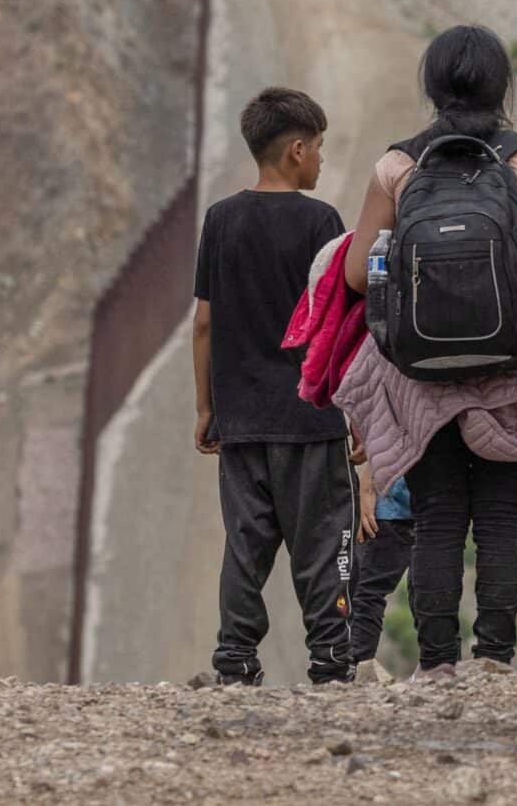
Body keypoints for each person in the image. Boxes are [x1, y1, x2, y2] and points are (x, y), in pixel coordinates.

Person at [338, 26, 517, 679]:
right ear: (500, 86)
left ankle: (436, 664)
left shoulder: (399, 167)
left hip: (423, 378)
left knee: (437, 520)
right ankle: (490, 657)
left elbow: (352, 275)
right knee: (504, 521)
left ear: (431, 85)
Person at [193, 87, 355, 686]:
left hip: (241, 419)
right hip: (311, 420)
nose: (320, 161)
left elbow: (205, 322)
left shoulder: (220, 220)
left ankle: (235, 661)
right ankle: (332, 659)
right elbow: (336, 326)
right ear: (294, 149)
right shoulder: (322, 223)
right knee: (327, 543)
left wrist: (207, 406)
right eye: (317, 149)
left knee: (245, 544)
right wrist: (355, 414)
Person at [349, 475, 415, 673]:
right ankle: (443, 667)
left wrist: (367, 486)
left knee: (365, 593)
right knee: (433, 594)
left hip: (393, 503)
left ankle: (354, 670)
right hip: (442, 504)